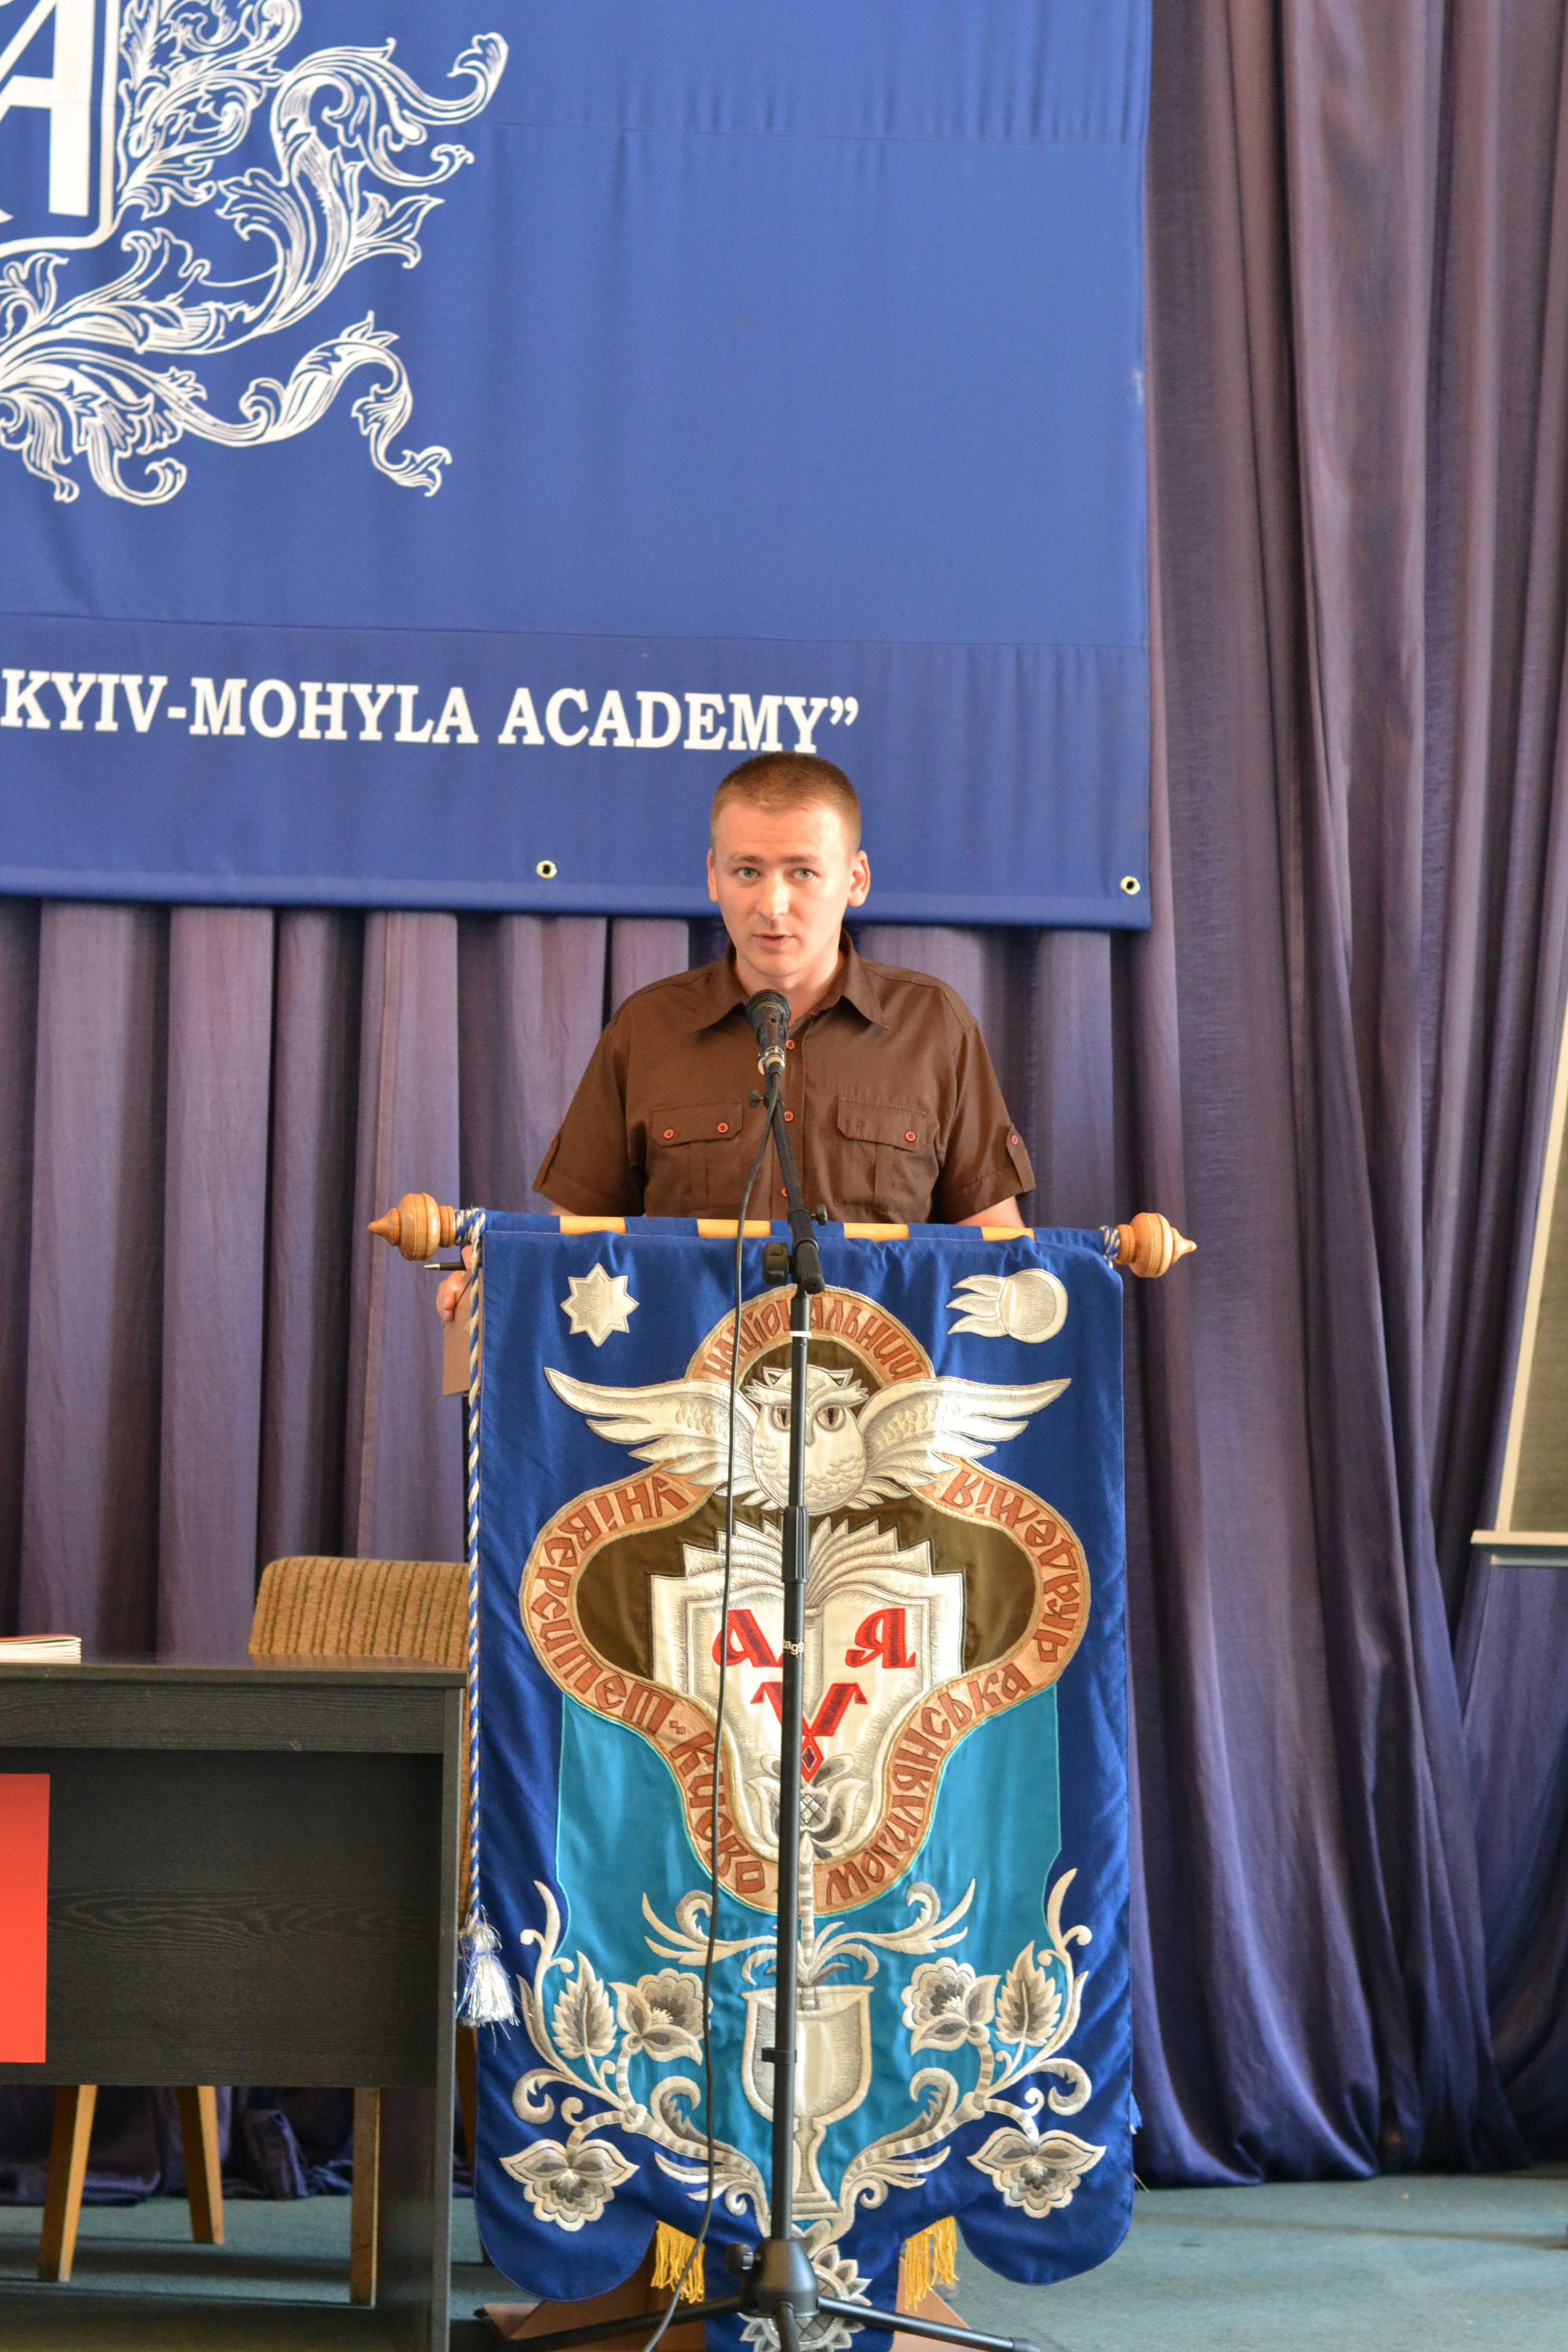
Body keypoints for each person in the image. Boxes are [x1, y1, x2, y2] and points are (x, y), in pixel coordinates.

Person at [438, 751, 1032, 1321]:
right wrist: (494, 1285)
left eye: (803, 872)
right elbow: (573, 1234)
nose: (773, 905)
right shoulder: (649, 1029)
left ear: (856, 879)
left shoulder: (932, 1027)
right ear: (713, 877)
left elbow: (996, 1246)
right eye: (747, 872)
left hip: (882, 1375)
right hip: (689, 1374)